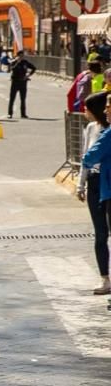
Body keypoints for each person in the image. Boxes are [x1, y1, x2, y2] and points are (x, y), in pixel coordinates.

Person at [77, 91, 111, 295]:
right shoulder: (91, 128)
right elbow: (85, 158)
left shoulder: (108, 133)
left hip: (105, 183)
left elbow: (90, 157)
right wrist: (81, 184)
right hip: (96, 182)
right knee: (100, 233)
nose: (84, 111)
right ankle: (105, 277)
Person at [7, 50, 36, 119]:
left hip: (23, 82)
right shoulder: (14, 62)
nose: (22, 57)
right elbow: (11, 69)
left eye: (23, 56)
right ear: (18, 55)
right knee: (12, 98)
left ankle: (23, 114)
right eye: (21, 55)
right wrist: (17, 62)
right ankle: (10, 113)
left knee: (23, 99)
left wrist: (28, 75)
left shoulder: (25, 62)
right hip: (15, 82)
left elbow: (34, 68)